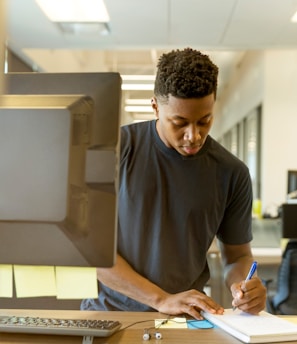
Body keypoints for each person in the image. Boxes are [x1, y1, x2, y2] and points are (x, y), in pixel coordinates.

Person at [81, 48, 266, 319]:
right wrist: (160, 299)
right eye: (179, 123)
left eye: (204, 121)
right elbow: (90, 250)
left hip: (184, 319)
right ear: (155, 106)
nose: (194, 135)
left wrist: (245, 287)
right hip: (110, 315)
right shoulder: (114, 151)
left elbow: (237, 257)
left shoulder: (231, 172)